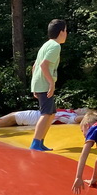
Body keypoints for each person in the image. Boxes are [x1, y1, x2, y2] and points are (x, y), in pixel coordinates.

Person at [29, 19, 68, 151]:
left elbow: (34, 66)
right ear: (61, 32)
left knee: (51, 114)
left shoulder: (46, 45)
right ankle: (35, 143)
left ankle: (40, 142)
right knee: (46, 113)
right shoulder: (55, 46)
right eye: (66, 30)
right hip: (44, 83)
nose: (66, 33)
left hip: (40, 83)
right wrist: (51, 83)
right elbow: (43, 65)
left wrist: (34, 85)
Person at [0, 107, 87, 128]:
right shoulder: (70, 111)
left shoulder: (72, 116)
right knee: (13, 115)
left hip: (36, 117)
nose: (79, 108)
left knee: (13, 117)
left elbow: (79, 119)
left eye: (82, 109)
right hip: (36, 114)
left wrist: (89, 115)